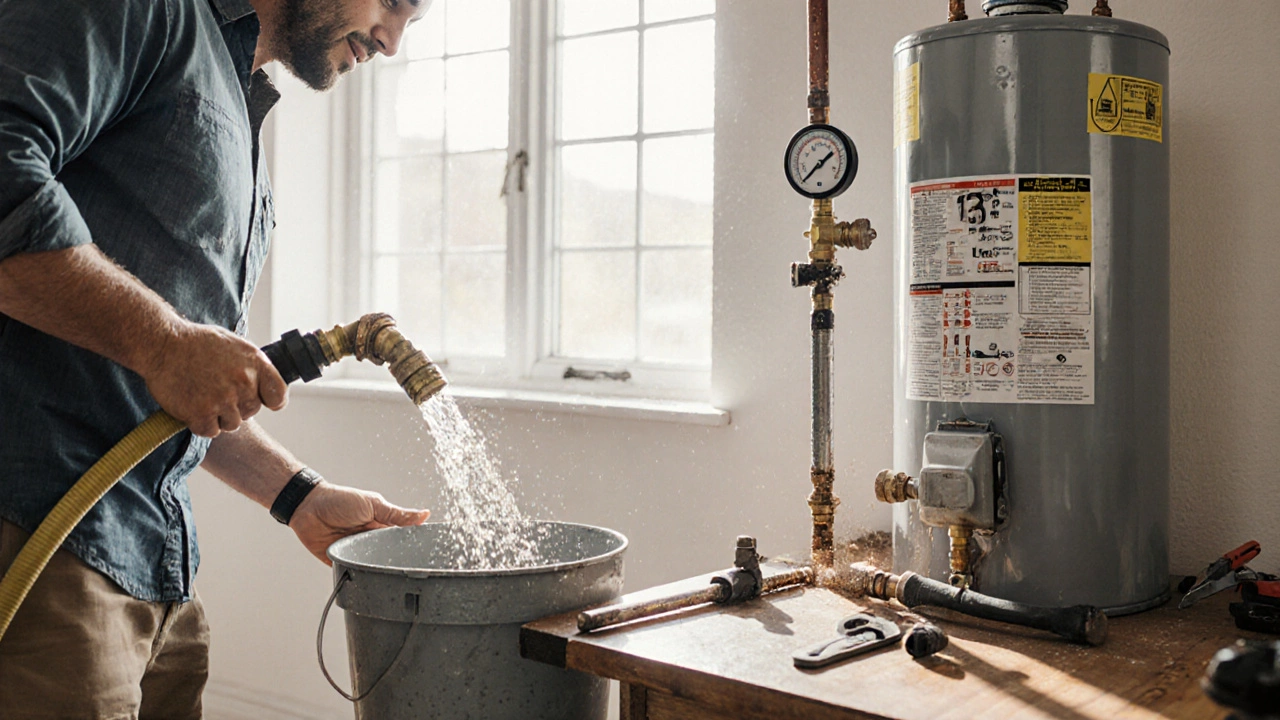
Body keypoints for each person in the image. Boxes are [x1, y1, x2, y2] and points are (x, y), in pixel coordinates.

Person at [0, 0, 432, 716]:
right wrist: (164, 340)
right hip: (40, 539)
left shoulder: (237, 99)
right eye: (394, 4)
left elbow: (178, 385)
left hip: (153, 566)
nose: (390, 42)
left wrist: (297, 496)